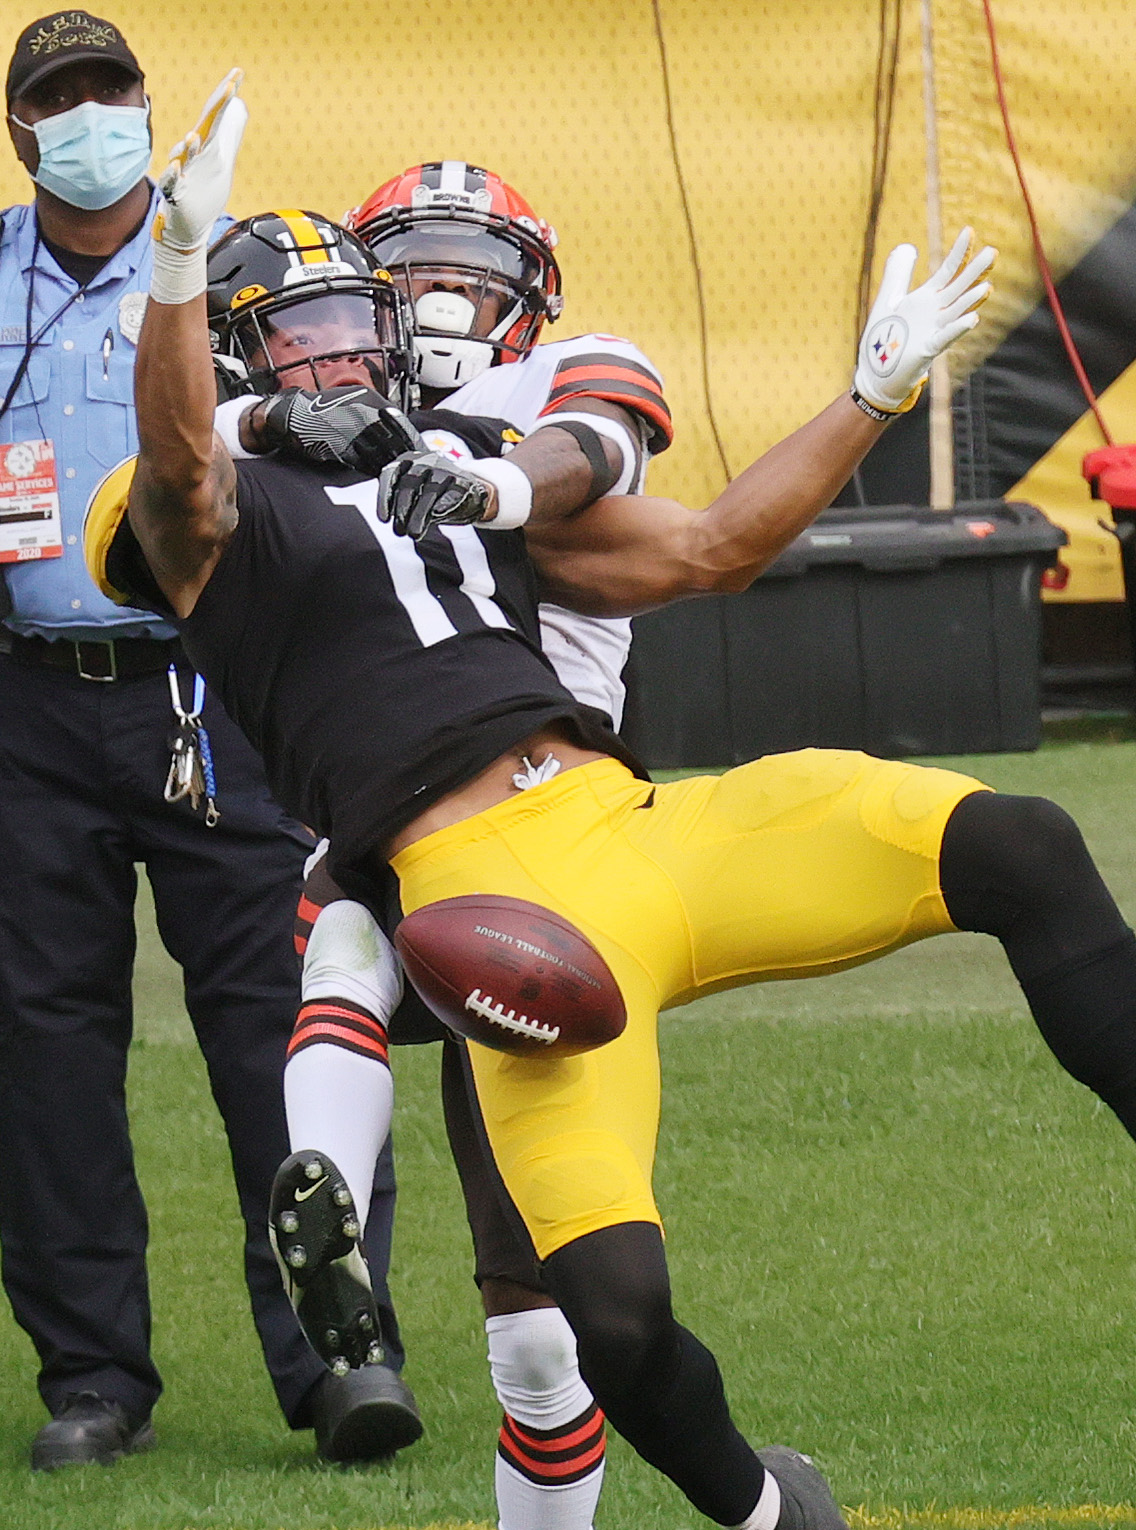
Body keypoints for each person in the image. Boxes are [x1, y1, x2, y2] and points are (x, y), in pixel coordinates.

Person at [107, 77, 1136, 1530]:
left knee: (1019, 842)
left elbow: (712, 542)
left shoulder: (452, 476)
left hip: (633, 818)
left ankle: (331, 1172)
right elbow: (172, 465)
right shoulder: (199, 502)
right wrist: (166, 265)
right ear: (230, 355)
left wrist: (871, 398)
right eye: (299, 334)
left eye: (357, 328)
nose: (340, 362)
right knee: (608, 1323)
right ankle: (770, 1512)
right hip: (479, 900)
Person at [213, 163, 675, 1527]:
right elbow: (210, 427)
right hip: (410, 814)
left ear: (527, 287)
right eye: (411, 271)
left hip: (556, 815)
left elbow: (605, 436)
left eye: (472, 270)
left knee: (540, 1311)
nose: (440, 296)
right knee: (347, 920)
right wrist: (275, 398)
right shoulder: (328, 412)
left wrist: (484, 482)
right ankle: (332, 1208)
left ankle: (335, 1194)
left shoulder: (560, 380)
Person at [0, 16, 415, 1469]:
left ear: (147, 106)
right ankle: (92, 1380)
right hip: (30, 701)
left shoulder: (238, 267)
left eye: (110, 91)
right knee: (42, 1046)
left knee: (284, 1026)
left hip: (227, 687)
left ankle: (341, 1357)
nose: (89, 117)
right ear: (21, 129)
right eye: (56, 98)